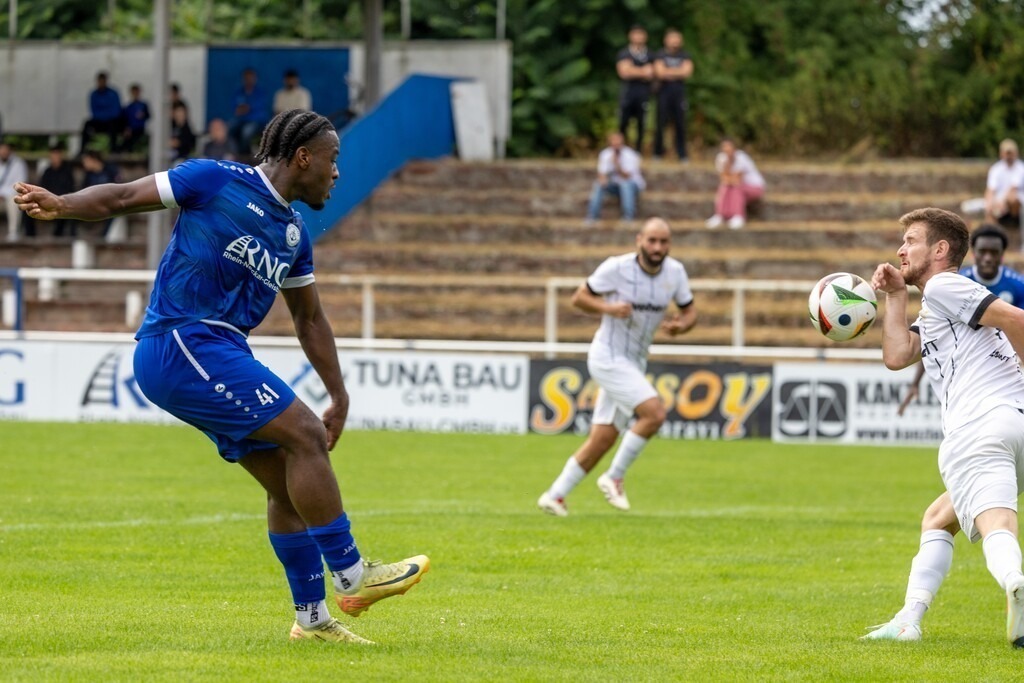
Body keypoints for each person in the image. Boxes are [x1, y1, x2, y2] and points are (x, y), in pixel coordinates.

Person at [14, 109, 429, 645]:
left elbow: (309, 318)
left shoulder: (293, 234)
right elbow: (120, 198)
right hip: (181, 339)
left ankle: (312, 622)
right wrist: (62, 204)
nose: (337, 172)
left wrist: (340, 394)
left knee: (288, 484)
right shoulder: (213, 179)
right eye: (334, 159)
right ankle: (354, 574)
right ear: (303, 157)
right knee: (304, 436)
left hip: (216, 349)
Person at [867, 207, 1024, 647]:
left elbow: (1019, 321)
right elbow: (899, 355)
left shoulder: (943, 285)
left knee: (997, 523)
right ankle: (907, 620)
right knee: (938, 517)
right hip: (1011, 428)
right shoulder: (942, 303)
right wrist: (895, 297)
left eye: (911, 240)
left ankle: (1015, 582)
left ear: (939, 250)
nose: (901, 248)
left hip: (981, 427)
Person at [537, 218, 697, 516]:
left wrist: (681, 327)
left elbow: (690, 312)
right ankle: (614, 477)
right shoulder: (616, 268)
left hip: (635, 361)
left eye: (663, 242)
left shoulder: (675, 273)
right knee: (654, 413)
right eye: (652, 240)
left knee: (604, 437)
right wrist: (608, 308)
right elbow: (579, 297)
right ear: (639, 240)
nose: (657, 247)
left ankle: (555, 495)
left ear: (669, 244)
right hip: (608, 355)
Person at [585, 131, 646, 223]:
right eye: (614, 143)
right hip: (615, 185)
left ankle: (628, 217)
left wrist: (616, 164)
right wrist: (603, 180)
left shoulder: (630, 154)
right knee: (598, 184)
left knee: (625, 185)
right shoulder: (605, 154)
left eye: (618, 143)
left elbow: (627, 176)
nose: (616, 145)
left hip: (632, 185)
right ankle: (592, 216)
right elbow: (601, 173)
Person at [705, 138, 765, 230]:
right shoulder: (721, 158)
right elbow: (724, 179)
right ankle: (720, 215)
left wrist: (728, 178)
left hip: (755, 187)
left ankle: (738, 215)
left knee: (736, 188)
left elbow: (737, 180)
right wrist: (727, 165)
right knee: (725, 187)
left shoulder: (741, 158)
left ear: (734, 149)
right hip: (736, 186)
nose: (727, 151)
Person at [652, 29, 693, 162]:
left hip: (679, 94)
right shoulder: (660, 54)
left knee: (680, 124)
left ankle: (682, 154)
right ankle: (657, 153)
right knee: (660, 123)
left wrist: (668, 72)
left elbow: (687, 72)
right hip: (663, 93)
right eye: (672, 38)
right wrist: (677, 72)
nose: (675, 42)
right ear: (666, 40)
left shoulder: (685, 55)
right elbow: (660, 72)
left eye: (677, 39)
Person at [22, 143, 76, 238]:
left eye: (57, 154)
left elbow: (70, 188)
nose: (55, 157)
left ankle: (58, 236)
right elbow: (42, 187)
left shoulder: (67, 171)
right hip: (47, 199)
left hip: (61, 199)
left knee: (65, 207)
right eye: (53, 154)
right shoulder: (47, 171)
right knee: (28, 207)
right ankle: (30, 235)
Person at [616, 25, 654, 152]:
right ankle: (620, 150)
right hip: (628, 92)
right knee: (623, 122)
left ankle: (638, 151)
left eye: (641, 34)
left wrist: (632, 70)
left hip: (643, 92)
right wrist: (643, 71)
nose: (638, 37)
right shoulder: (624, 53)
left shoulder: (649, 54)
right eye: (635, 34)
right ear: (630, 36)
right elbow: (624, 72)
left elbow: (652, 73)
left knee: (641, 123)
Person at [228, 68, 270, 156]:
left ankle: (244, 156)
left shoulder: (260, 92)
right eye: (246, 78)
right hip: (241, 120)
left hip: (257, 121)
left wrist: (246, 108)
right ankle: (234, 153)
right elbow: (236, 110)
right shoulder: (239, 92)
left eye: (251, 78)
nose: (249, 80)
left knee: (246, 132)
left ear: (255, 79)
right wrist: (245, 109)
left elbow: (256, 108)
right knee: (230, 127)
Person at [80, 150, 121, 238]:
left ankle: (103, 236)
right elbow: (83, 190)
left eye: (86, 161)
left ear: (93, 160)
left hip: (110, 201)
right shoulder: (88, 174)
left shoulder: (110, 170)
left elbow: (119, 187)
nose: (84, 164)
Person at [80, 71, 123, 153]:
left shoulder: (113, 93)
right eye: (100, 81)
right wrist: (104, 115)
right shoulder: (93, 94)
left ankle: (113, 150)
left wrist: (105, 115)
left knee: (115, 124)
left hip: (111, 121)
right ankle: (83, 150)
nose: (101, 83)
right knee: (87, 124)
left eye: (103, 81)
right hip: (99, 121)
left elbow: (116, 111)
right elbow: (93, 111)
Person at [985, 139, 1024, 227]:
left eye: (1011, 153)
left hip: (1015, 202)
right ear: (1001, 153)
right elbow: (990, 190)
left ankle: (1013, 222)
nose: (1009, 156)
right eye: (1007, 153)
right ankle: (991, 231)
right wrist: (989, 204)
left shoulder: (1021, 168)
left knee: (1012, 199)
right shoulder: (996, 169)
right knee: (989, 207)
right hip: (1000, 202)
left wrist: (1001, 202)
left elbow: (1013, 189)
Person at [0, 140, 28, 241]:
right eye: (1, 149)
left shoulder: (18, 163)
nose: (3, 152)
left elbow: (20, 185)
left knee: (14, 199)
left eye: (5, 149)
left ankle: (13, 232)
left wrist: (3, 194)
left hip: (9, 198)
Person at [120, 83, 151, 153]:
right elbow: (124, 119)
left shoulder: (143, 105)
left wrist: (143, 115)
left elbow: (148, 116)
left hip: (139, 129)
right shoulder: (127, 107)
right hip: (130, 130)